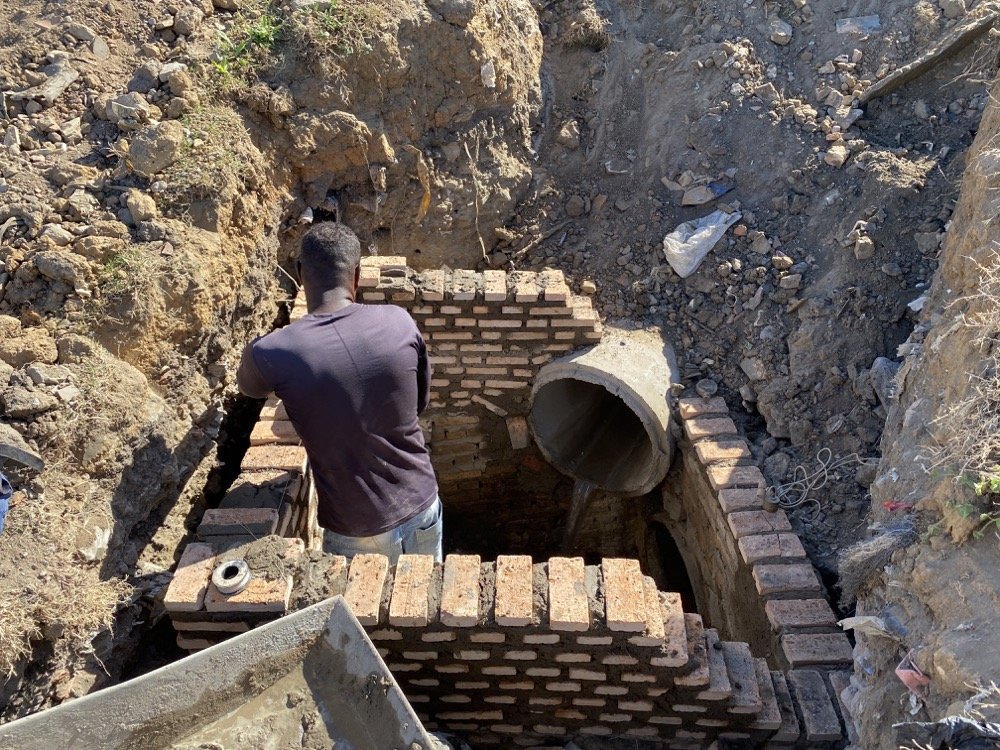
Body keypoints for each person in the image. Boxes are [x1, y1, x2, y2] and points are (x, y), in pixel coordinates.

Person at [237, 222, 441, 564]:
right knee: (422, 606)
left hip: (356, 528)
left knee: (359, 616)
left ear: (301, 275)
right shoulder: (399, 321)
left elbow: (249, 388)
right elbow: (417, 403)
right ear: (357, 275)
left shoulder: (274, 352)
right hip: (423, 505)